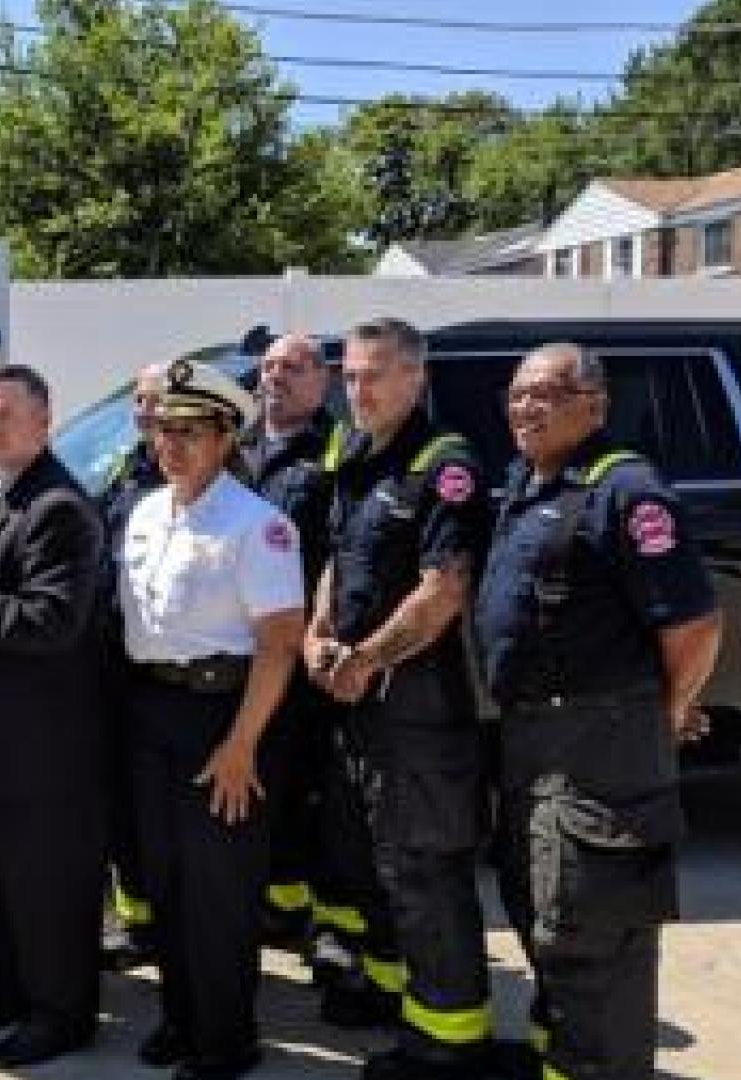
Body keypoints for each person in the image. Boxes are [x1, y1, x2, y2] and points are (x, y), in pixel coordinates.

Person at [473, 343, 722, 1080]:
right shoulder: (531, 481)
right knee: (547, 922)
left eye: (547, 392)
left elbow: (695, 625)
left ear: (595, 403)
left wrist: (663, 712)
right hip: (533, 741)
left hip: (600, 750)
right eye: (517, 393)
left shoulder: (629, 492)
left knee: (595, 937)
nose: (527, 406)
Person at [301, 317, 494, 1079]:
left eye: (375, 374)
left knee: (427, 873)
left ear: (416, 378)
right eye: (349, 375)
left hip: (420, 711)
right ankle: (390, 995)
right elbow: (339, 557)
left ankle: (449, 1042)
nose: (359, 389)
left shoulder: (443, 465)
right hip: (361, 707)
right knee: (376, 863)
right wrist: (320, 632)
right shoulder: (354, 453)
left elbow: (445, 588)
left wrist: (366, 661)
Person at [120, 358, 307, 1080]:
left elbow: (280, 644)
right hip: (152, 710)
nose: (171, 444)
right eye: (164, 429)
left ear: (226, 436)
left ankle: (227, 1041)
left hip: (224, 716)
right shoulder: (144, 511)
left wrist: (240, 747)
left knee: (219, 892)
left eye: (189, 431)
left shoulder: (258, 526)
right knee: (163, 880)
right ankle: (180, 1018)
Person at [0, 365, 108, 1070]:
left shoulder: (60, 507)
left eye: (9, 413)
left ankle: (63, 1016)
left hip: (47, 751)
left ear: (44, 421)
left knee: (51, 891)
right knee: (7, 885)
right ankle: (14, 992)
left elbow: (53, 619)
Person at [235, 333, 349, 960]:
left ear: (323, 380)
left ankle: (316, 926)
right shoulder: (241, 446)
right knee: (258, 780)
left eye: (295, 367)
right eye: (270, 366)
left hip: (304, 650)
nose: (276, 376)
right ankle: (274, 907)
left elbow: (341, 551)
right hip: (240, 649)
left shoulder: (337, 451)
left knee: (307, 788)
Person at [94, 363, 168, 964]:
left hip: (181, 673)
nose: (145, 411)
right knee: (125, 802)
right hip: (121, 661)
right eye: (139, 400)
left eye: (157, 400)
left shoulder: (213, 471)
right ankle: (138, 919)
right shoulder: (127, 469)